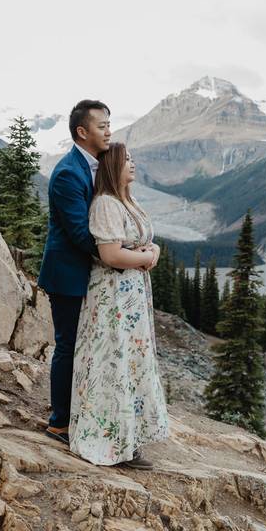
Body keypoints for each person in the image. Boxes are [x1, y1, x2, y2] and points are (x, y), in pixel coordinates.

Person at [67, 142, 170, 469]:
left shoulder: (127, 200)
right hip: (113, 297)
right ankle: (109, 442)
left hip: (131, 296)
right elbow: (110, 254)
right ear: (113, 167)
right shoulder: (107, 204)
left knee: (129, 363)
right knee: (113, 361)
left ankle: (127, 437)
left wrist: (150, 253)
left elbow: (141, 241)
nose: (133, 164)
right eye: (127, 160)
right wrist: (146, 257)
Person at [39, 100, 112, 446]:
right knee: (67, 345)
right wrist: (121, 256)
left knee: (83, 345)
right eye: (102, 126)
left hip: (83, 273)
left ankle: (77, 413)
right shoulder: (69, 172)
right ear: (83, 132)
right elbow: (80, 233)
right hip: (67, 274)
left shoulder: (92, 167)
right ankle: (59, 423)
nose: (108, 131)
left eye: (109, 124)